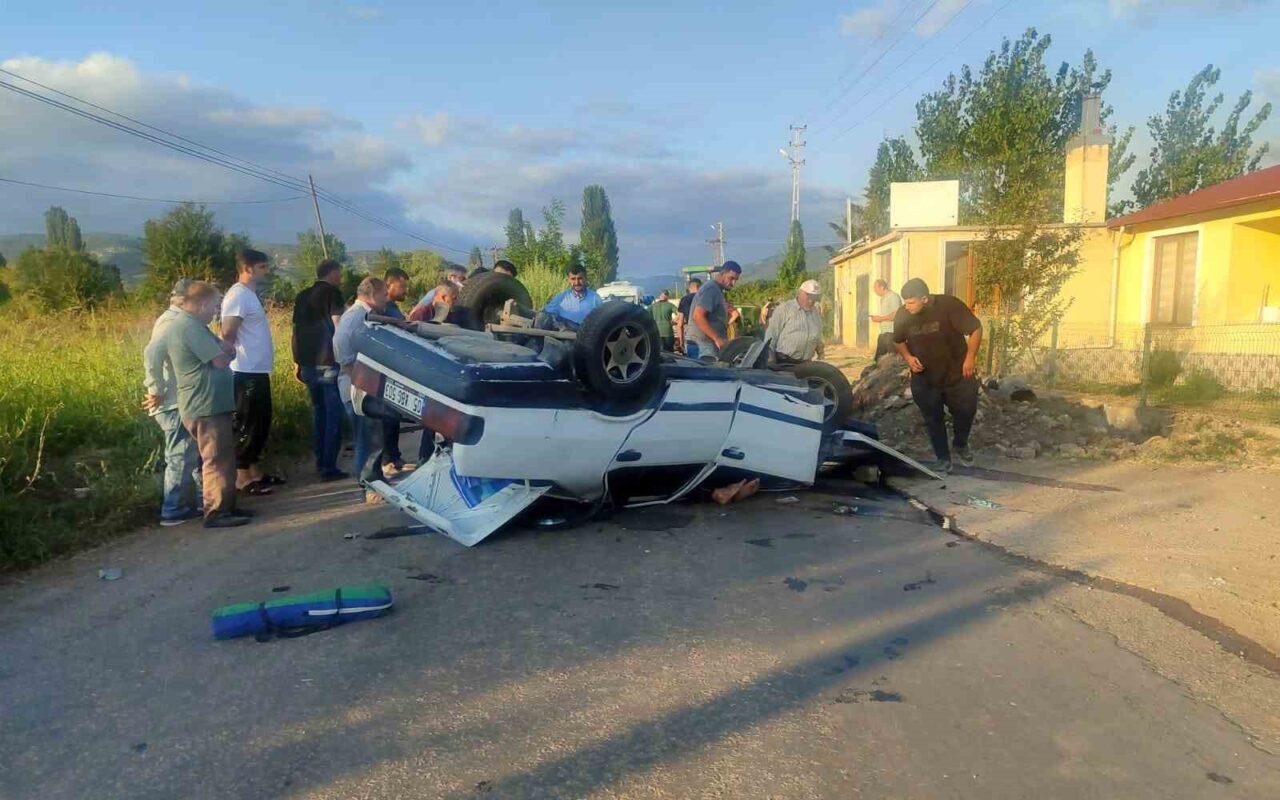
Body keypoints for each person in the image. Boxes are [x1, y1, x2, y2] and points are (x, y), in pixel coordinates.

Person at [161, 281, 249, 528]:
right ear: (201, 304)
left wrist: (225, 351)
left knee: (223, 457)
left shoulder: (196, 326)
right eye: (213, 306)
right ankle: (217, 511)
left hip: (211, 403)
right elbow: (221, 358)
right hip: (204, 404)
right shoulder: (189, 328)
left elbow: (225, 350)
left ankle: (227, 505)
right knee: (215, 459)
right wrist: (225, 352)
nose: (215, 312)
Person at [892, 277, 983, 474]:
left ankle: (960, 443)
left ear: (925, 298)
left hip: (957, 374)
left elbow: (975, 329)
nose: (906, 306)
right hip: (925, 378)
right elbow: (898, 340)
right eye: (905, 302)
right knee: (933, 418)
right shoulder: (903, 314)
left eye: (911, 302)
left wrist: (970, 358)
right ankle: (943, 458)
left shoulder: (949, 305)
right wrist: (908, 358)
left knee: (966, 411)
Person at [142, 279, 202, 526]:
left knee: (192, 454)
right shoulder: (171, 322)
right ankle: (173, 508)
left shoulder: (179, 320)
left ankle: (199, 501)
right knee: (179, 454)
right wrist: (155, 388)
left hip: (183, 398)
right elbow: (152, 353)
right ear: (183, 299)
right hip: (173, 401)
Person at [220, 248, 280, 496]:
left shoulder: (249, 295)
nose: (266, 271)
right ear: (247, 269)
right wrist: (227, 359)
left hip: (256, 369)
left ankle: (254, 471)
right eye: (262, 267)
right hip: (244, 371)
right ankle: (242, 477)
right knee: (249, 422)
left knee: (261, 421)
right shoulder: (238, 295)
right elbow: (227, 333)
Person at [334, 276, 390, 501]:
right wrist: (358, 378)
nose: (386, 298)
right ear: (373, 293)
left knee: (373, 438)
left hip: (361, 386)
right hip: (357, 388)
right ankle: (369, 487)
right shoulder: (356, 317)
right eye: (384, 294)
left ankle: (375, 482)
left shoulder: (361, 315)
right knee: (367, 440)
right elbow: (342, 350)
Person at [292, 259, 347, 481]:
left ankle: (318, 458)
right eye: (339, 274)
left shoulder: (302, 296)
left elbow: (295, 330)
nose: (341, 278)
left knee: (318, 413)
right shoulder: (333, 294)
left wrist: (297, 360)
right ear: (332, 273)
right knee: (333, 414)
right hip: (328, 360)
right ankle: (328, 466)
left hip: (307, 361)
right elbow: (338, 327)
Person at [378, 267, 412, 474]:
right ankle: (386, 459)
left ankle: (394, 456)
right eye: (403, 286)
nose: (405, 290)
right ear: (389, 284)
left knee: (393, 417)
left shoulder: (391, 307)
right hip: (385, 369)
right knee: (386, 417)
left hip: (394, 369)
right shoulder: (381, 308)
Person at [685, 261, 742, 360]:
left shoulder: (716, 290)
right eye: (731, 278)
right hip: (703, 346)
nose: (733, 283)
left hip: (706, 344)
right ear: (722, 273)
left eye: (736, 280)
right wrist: (717, 338)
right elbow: (698, 316)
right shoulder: (711, 289)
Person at [764, 279, 825, 363]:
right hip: (784, 363)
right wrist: (770, 360)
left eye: (815, 298)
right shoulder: (784, 309)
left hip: (806, 363)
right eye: (810, 297)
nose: (812, 301)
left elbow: (817, 334)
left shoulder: (815, 312)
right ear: (801, 293)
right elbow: (771, 336)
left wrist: (820, 351)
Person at [870, 278, 903, 361]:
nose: (874, 291)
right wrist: (878, 318)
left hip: (891, 333)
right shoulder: (884, 298)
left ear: (882, 287)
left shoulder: (893, 297)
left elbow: (896, 315)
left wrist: (880, 319)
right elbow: (887, 314)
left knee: (892, 359)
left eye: (875, 288)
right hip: (884, 333)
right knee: (878, 359)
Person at [675, 277, 701, 354]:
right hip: (705, 335)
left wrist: (681, 343)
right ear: (700, 287)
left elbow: (680, 324)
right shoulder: (705, 298)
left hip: (691, 335)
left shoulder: (684, 300)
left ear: (690, 288)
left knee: (692, 362)